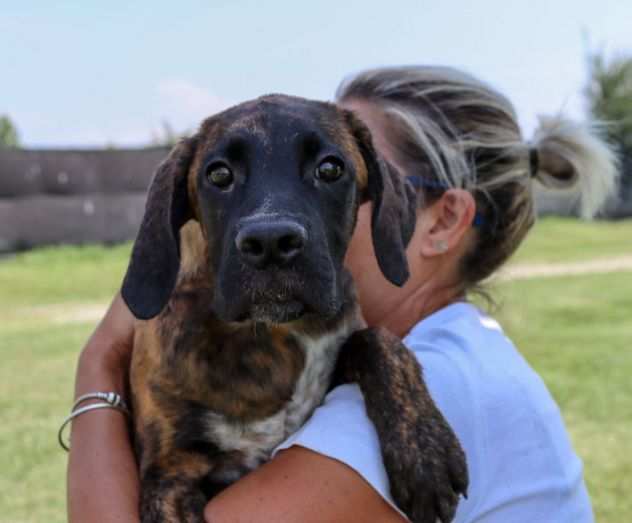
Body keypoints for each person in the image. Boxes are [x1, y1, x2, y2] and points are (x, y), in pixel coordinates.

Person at [66, 66, 617, 522]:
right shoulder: (447, 346)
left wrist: (100, 357)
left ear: (441, 221)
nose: (274, 215)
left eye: (331, 171)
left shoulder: (441, 382)